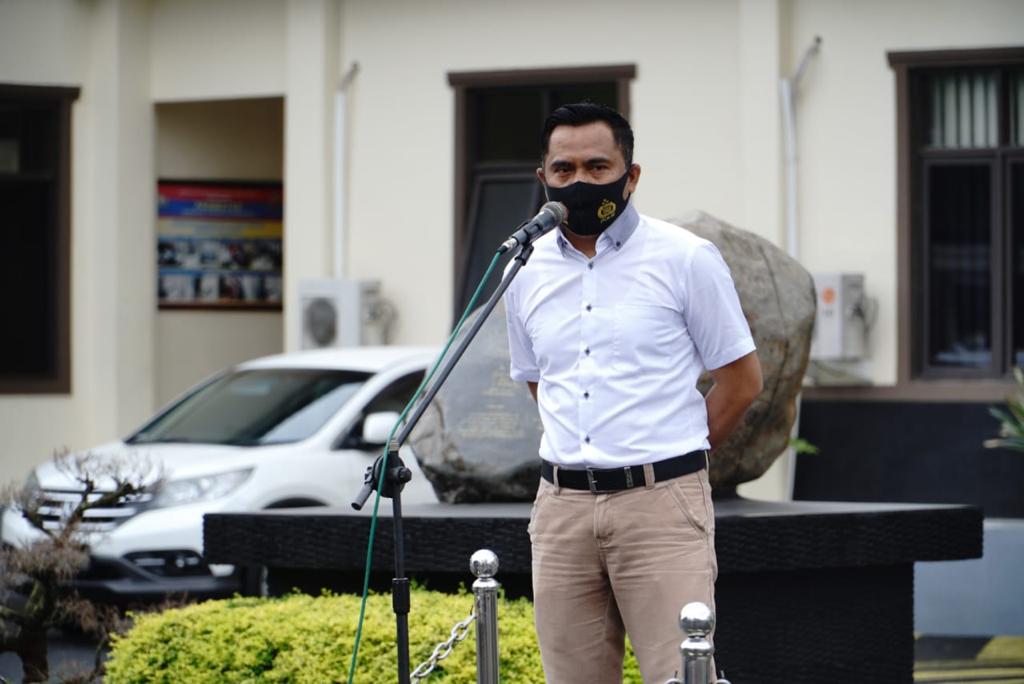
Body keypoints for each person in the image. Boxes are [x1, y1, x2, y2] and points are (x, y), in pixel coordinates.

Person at [503, 102, 763, 683]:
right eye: (564, 169)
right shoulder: (523, 268)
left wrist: (674, 451)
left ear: (631, 175)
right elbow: (541, 383)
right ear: (543, 178)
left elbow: (743, 382)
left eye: (598, 167)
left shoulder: (685, 258)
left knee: (679, 675)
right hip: (561, 509)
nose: (580, 181)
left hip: (660, 504)